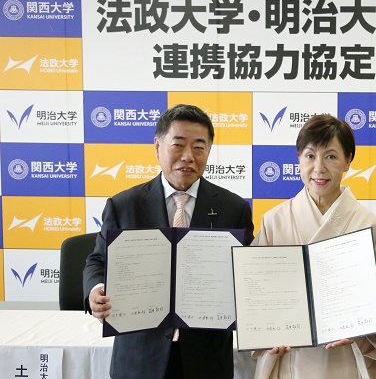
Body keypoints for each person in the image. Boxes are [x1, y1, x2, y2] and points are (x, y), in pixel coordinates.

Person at [83, 104, 254, 379]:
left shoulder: (233, 209)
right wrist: (96, 290)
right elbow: (98, 260)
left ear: (209, 151)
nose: (188, 156)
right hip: (140, 356)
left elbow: (246, 274)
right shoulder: (124, 205)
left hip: (206, 358)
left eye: (199, 147)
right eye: (178, 145)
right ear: (157, 146)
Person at [251, 114, 376, 379]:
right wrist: (267, 332)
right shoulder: (275, 220)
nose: (319, 168)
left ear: (348, 161)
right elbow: (258, 291)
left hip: (343, 356)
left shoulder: (366, 223)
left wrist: (360, 329)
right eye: (310, 156)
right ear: (299, 158)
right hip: (290, 354)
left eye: (331, 156)